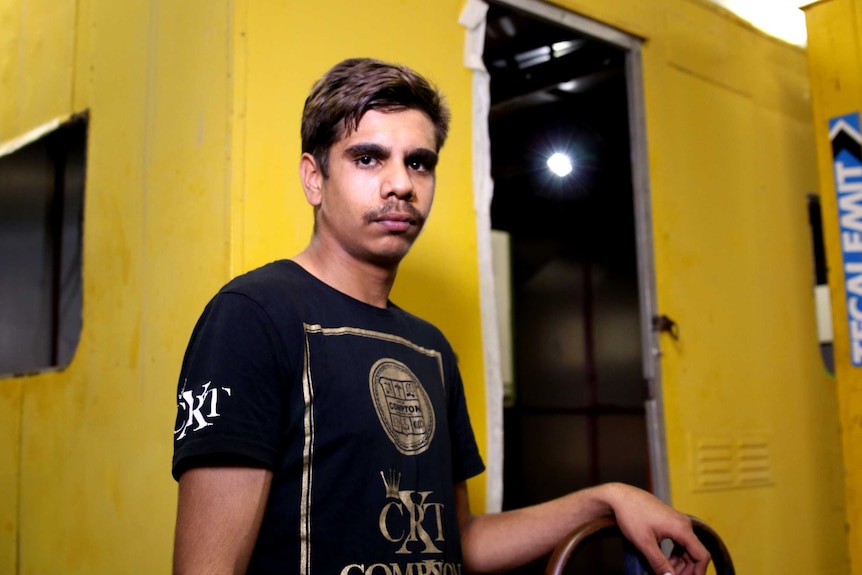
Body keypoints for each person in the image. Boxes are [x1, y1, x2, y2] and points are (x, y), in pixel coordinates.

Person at [172, 57, 710, 575]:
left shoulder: (428, 348)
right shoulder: (253, 318)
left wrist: (608, 498)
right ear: (314, 178)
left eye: (418, 162)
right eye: (367, 158)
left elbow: (462, 543)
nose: (401, 184)